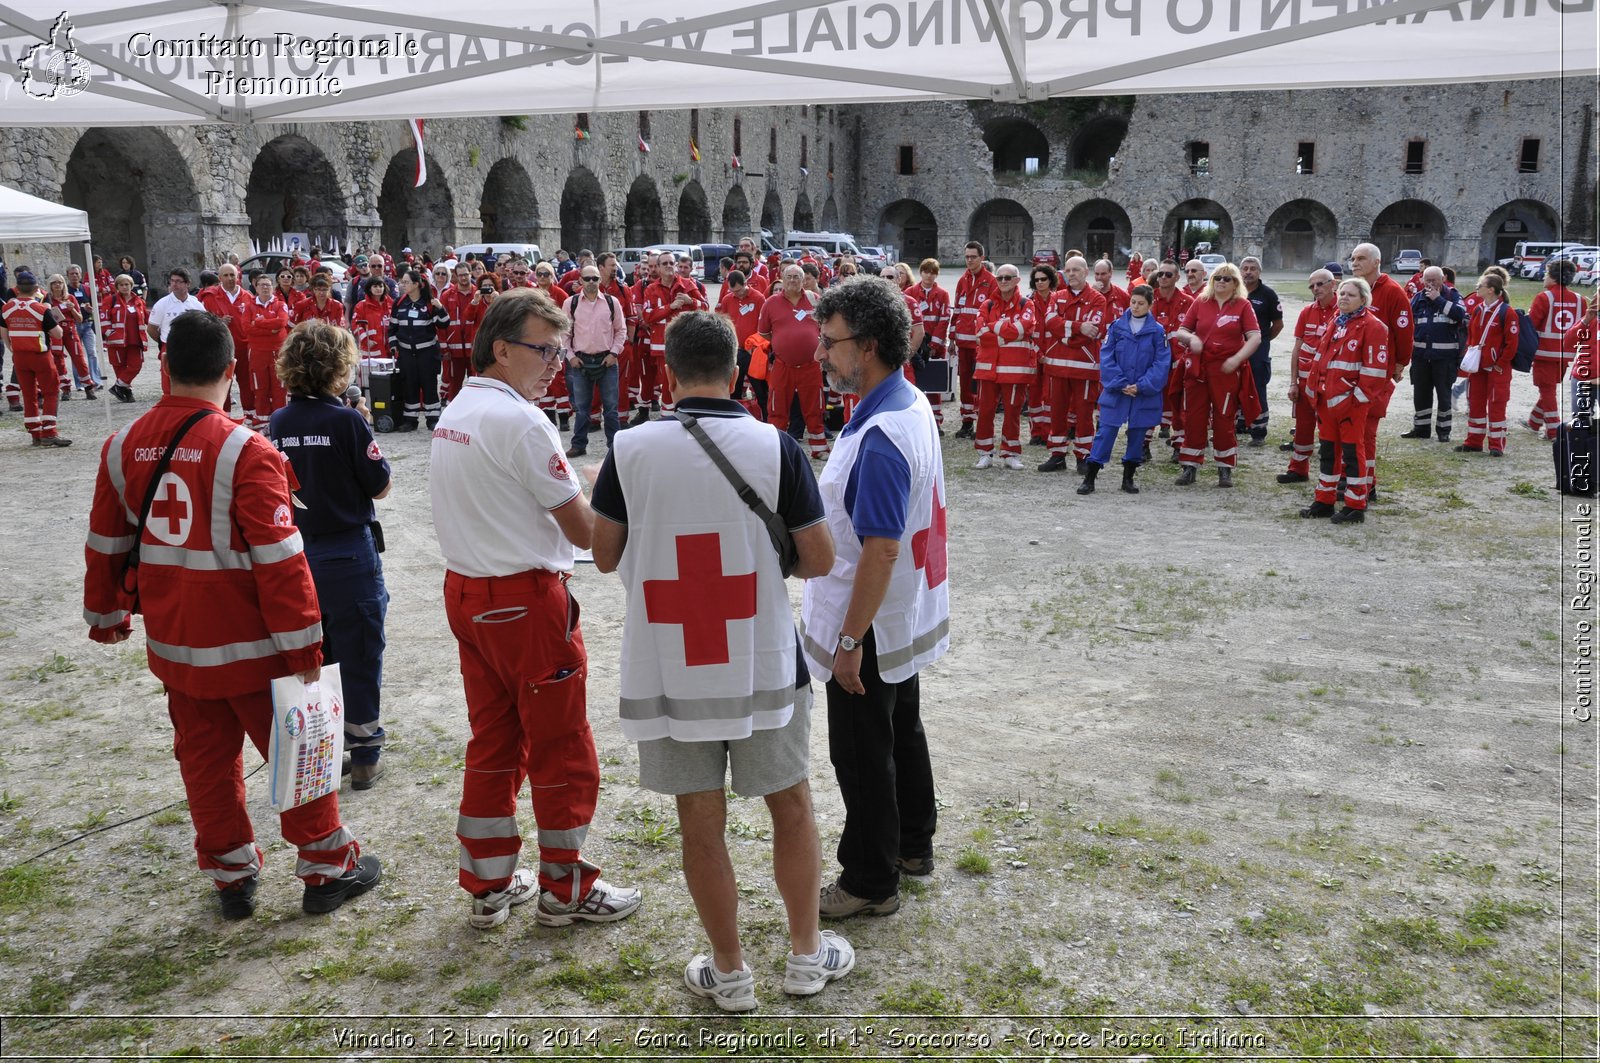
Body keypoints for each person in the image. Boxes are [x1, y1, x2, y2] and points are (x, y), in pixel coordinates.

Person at [588, 311, 849, 1011]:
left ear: (667, 372)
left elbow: (604, 552)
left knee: (698, 821)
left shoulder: (631, 447)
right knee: (790, 804)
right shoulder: (775, 444)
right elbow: (819, 557)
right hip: (763, 659)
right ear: (737, 370)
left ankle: (730, 971)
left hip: (672, 666)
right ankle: (804, 954)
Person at [83, 312, 381, 918]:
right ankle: (326, 868)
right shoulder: (246, 449)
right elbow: (281, 561)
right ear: (231, 370)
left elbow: (105, 544)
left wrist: (106, 614)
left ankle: (229, 876)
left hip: (177, 647)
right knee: (301, 754)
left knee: (204, 763)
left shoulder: (119, 447)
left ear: (164, 367)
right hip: (255, 648)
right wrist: (306, 647)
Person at [429, 288, 641, 931]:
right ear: (502, 349)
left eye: (560, 349)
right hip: (521, 598)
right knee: (561, 744)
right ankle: (566, 885)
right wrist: (615, 492)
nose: (557, 362)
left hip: (470, 592)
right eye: (544, 350)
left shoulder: (461, 406)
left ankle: (489, 881)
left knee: (494, 740)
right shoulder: (521, 421)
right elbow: (582, 531)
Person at [803, 277, 949, 920]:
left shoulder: (882, 435)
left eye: (829, 343)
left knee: (863, 752)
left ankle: (869, 878)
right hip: (898, 609)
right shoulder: (904, 403)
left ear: (866, 346)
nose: (819, 355)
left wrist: (848, 642)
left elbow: (881, 549)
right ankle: (913, 844)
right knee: (900, 728)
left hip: (870, 621)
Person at [269, 321, 393, 790]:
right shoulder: (347, 420)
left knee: (318, 654)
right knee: (361, 650)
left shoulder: (280, 421)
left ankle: (325, 748)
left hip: (301, 552)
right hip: (348, 552)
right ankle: (364, 755)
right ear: (339, 369)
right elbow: (380, 484)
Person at [1301, 277, 1391, 524]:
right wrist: (1313, 391)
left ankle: (1355, 505)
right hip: (1327, 402)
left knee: (1352, 454)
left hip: (1351, 405)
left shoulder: (1374, 327)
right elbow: (1320, 358)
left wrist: (1356, 400)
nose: (1343, 298)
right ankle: (1324, 501)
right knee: (1328, 453)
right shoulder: (1336, 322)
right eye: (1341, 294)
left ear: (1363, 299)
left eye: (1350, 295)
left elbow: (1375, 372)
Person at [1169, 263, 1261, 487]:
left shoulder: (1242, 305)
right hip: (1199, 369)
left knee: (1224, 417)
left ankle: (1225, 467)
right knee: (1194, 416)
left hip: (1225, 370)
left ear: (1235, 283)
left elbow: (1255, 336)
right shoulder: (1200, 302)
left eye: (1227, 278)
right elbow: (1181, 330)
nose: (1221, 281)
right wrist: (1191, 339)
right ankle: (1189, 465)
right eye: (1218, 277)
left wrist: (1237, 359)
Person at [1078, 284, 1171, 495]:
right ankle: (1090, 476)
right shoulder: (1116, 327)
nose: (1136, 307)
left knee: (1138, 434)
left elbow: (1161, 363)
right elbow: (1107, 357)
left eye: (1141, 304)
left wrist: (1142, 386)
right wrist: (1120, 383)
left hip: (1142, 393)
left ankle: (1128, 477)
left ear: (1150, 305)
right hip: (1117, 390)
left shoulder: (1158, 332)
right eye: (1133, 302)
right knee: (1106, 431)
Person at [1348, 243, 1414, 498]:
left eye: (1361, 258)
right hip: (1351, 371)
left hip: (1376, 374)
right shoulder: (1352, 289)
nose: (1355, 263)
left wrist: (1400, 365)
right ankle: (1352, 477)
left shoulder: (1392, 292)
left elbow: (1404, 331)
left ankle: (1367, 483)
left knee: (1366, 430)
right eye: (1353, 258)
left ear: (1377, 262)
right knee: (1350, 428)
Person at [1038, 256, 1107, 473]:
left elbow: (1094, 330)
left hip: (1084, 367)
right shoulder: (1056, 296)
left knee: (1084, 414)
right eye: (1068, 270)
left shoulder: (1098, 299)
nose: (1071, 274)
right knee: (1056, 412)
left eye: (1076, 270)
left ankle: (1083, 456)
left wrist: (1065, 334)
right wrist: (1077, 328)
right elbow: (1049, 323)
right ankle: (1057, 455)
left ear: (1086, 272)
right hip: (1057, 366)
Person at [758, 265, 827, 458]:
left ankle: (819, 448)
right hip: (782, 365)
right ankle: (776, 448)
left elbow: (827, 328)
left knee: (814, 407)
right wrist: (783, 343)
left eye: (797, 277)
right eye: (788, 277)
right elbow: (763, 332)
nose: (792, 280)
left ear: (803, 280)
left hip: (811, 366)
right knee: (777, 407)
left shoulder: (815, 300)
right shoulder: (771, 303)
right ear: (781, 278)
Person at [1278, 268, 1340, 483]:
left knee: (1329, 429)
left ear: (1334, 285)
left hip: (1329, 384)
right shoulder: (1306, 312)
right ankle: (1298, 469)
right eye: (1312, 286)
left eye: (1320, 284)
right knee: (1303, 427)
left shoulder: (1342, 311)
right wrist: (1293, 382)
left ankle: (1333, 474)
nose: (1316, 289)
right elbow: (1297, 348)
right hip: (1305, 383)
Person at [971, 264, 1034, 470]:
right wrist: (1006, 333)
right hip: (988, 367)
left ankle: (1010, 453)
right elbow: (979, 333)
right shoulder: (987, 305)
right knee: (985, 411)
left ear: (1017, 280)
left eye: (1008, 277)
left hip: (1015, 368)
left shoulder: (1027, 304)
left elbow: (1023, 329)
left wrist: (994, 327)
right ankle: (985, 453)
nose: (1003, 281)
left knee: (1013, 411)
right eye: (1000, 278)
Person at [561, 263, 628, 456]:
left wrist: (614, 353)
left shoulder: (611, 302)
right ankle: (579, 444)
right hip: (580, 362)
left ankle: (614, 446)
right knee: (582, 408)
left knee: (611, 408)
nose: (591, 282)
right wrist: (571, 357)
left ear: (600, 280)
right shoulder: (570, 303)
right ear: (580, 280)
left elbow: (620, 330)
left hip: (607, 361)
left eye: (595, 278)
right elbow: (564, 334)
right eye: (587, 278)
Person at [0, 270, 70, 446]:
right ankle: (49, 431)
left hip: (20, 356)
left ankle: (35, 432)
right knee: (51, 391)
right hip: (40, 354)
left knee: (29, 394)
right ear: (36, 289)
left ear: (17, 289)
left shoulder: (6, 308)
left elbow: (3, 333)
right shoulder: (40, 309)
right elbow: (58, 333)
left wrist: (12, 348)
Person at [1456, 272, 1521, 456]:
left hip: (1497, 369)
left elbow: (1512, 343)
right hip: (1478, 368)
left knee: (1496, 404)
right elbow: (1472, 335)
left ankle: (1496, 444)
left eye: (1480, 286)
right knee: (1475, 403)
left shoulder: (1507, 312)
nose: (1477, 288)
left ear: (1491, 290)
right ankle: (1474, 441)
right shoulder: (1478, 309)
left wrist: (1500, 363)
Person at [1402, 266, 1466, 442]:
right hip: (1421, 356)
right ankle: (1421, 429)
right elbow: (1407, 321)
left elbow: (1461, 315)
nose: (1430, 284)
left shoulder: (1452, 295)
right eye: (1427, 280)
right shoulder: (1417, 298)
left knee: (1444, 395)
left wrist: (1439, 300)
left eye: (1434, 280)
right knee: (1421, 393)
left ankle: (1443, 431)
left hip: (1444, 358)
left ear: (1442, 279)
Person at [1527, 259, 1589, 440]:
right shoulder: (1580, 300)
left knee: (1547, 391)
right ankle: (1533, 422)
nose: (1544, 278)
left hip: (1544, 353)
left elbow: (1531, 325)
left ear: (1553, 277)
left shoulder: (1544, 297)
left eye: (1546, 274)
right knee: (1549, 389)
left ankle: (1554, 431)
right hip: (1566, 354)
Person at [387, 269, 450, 431]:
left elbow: (444, 324)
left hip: (427, 353)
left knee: (429, 385)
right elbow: (392, 328)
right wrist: (393, 345)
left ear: (416, 285)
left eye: (406, 282)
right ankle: (410, 419)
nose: (402, 284)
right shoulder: (399, 303)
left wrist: (441, 308)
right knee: (410, 385)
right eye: (402, 282)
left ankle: (433, 418)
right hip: (407, 353)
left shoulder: (429, 303)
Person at [950, 241, 998, 438]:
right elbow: (957, 311)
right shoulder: (962, 280)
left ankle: (982, 424)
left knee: (981, 387)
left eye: (973, 257)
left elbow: (994, 313)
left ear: (982, 258)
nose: (969, 260)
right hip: (963, 343)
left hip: (981, 345)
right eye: (967, 257)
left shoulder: (991, 281)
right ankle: (967, 422)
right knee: (965, 386)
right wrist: (951, 338)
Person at [1148, 261, 1193, 454]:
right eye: (1160, 274)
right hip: (1152, 363)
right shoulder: (1148, 299)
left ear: (1177, 277)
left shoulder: (1188, 302)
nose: (1163, 278)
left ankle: (1179, 444)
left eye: (1168, 274)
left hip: (1177, 364)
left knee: (1177, 405)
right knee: (1148, 403)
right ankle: (1143, 444)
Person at [1239, 256, 1283, 445]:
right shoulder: (1234, 291)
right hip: (1235, 346)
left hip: (1257, 348)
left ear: (1259, 272)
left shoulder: (1268, 295)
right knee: (1233, 384)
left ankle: (1259, 430)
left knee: (1257, 387)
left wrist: (1262, 340)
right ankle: (1239, 423)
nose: (1248, 272)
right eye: (1245, 268)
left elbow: (1278, 324)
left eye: (1253, 268)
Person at [241, 271, 293, 429]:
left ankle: (280, 421)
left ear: (273, 287)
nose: (265, 288)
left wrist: (259, 323)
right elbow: (246, 328)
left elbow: (282, 322)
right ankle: (262, 422)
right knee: (260, 386)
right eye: (262, 285)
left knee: (279, 386)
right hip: (258, 352)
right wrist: (270, 328)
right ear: (255, 288)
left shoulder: (280, 304)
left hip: (278, 351)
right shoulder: (249, 306)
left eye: (268, 285)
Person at [198, 264, 251, 418]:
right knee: (221, 384)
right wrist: (218, 322)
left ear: (238, 277)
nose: (230, 278)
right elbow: (201, 322)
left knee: (247, 385)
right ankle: (222, 417)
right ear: (219, 278)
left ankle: (251, 418)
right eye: (226, 275)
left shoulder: (248, 297)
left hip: (243, 347)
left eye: (232, 275)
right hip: (219, 348)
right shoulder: (208, 297)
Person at [913, 259, 952, 428]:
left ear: (936, 275)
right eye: (926, 271)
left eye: (933, 272)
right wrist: (915, 345)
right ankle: (918, 420)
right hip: (916, 345)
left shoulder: (942, 294)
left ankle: (936, 421)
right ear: (920, 272)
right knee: (916, 382)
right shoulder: (910, 291)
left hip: (936, 346)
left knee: (935, 384)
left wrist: (934, 345)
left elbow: (944, 320)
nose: (929, 275)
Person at [45, 273, 91, 403]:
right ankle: (65, 388)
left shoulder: (70, 298)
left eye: (59, 282)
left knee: (78, 357)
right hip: (55, 331)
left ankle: (88, 386)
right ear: (50, 285)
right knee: (58, 358)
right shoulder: (47, 299)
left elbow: (80, 319)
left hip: (70, 330)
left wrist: (72, 310)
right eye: (54, 283)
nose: (57, 285)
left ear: (63, 284)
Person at [1026, 264, 1059, 446]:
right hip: (1033, 356)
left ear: (1051, 280)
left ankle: (1048, 432)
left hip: (1053, 356)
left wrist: (1050, 354)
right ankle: (1036, 432)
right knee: (1034, 396)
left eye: (1043, 279)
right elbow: (1027, 332)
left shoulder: (1058, 301)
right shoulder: (1028, 301)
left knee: (1051, 396)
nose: (1040, 283)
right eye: (1036, 280)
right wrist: (1038, 354)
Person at [104, 273, 149, 403]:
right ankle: (127, 392)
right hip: (117, 340)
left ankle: (118, 386)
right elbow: (103, 319)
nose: (124, 287)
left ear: (131, 286)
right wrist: (109, 333)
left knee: (136, 366)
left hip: (136, 340)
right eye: (121, 285)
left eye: (127, 284)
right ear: (117, 286)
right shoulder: (110, 300)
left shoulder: (139, 301)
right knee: (120, 367)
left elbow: (147, 317)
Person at [64, 264, 103, 398]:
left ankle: (96, 381)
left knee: (92, 352)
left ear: (80, 275)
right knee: (76, 355)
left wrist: (90, 309)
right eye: (72, 274)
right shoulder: (66, 291)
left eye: (76, 273)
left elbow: (94, 306)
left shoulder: (86, 289)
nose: (74, 276)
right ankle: (80, 382)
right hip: (73, 325)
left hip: (87, 324)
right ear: (68, 276)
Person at [351, 278, 394, 358]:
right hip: (371, 350)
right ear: (369, 289)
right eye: (375, 286)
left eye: (381, 286)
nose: (378, 289)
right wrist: (366, 340)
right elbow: (356, 325)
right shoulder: (361, 306)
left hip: (390, 349)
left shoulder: (391, 304)